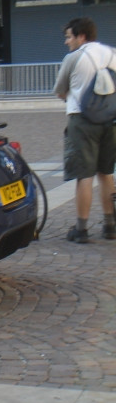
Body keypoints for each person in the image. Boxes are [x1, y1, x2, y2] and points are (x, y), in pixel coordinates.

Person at [53, 17, 116, 243]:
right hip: (111, 120)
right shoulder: (112, 53)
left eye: (69, 37)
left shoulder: (74, 58)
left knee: (85, 176)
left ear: (81, 36)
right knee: (107, 173)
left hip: (82, 120)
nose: (67, 42)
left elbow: (60, 91)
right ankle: (110, 225)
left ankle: (81, 228)